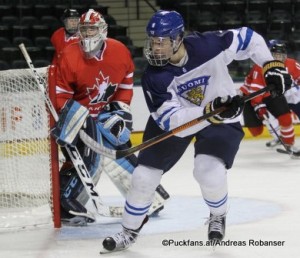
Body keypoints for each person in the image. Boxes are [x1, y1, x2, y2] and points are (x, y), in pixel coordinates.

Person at [101, 10, 292, 253]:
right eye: (153, 42)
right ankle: (129, 230)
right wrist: (210, 111)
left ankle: (218, 214)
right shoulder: (154, 77)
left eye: (162, 42)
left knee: (208, 171)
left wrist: (271, 64)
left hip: (222, 115)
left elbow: (248, 37)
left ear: (178, 38)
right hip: (185, 119)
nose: (156, 48)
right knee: (142, 177)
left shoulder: (209, 45)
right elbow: (175, 125)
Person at [50, 9, 169, 226]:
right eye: (83, 30)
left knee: (120, 150)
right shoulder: (68, 54)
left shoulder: (119, 51)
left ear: (103, 30)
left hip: (105, 113)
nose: (87, 34)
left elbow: (125, 85)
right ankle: (67, 202)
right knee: (91, 158)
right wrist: (83, 119)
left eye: (91, 29)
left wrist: (121, 109)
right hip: (76, 116)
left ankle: (145, 196)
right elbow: (61, 97)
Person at [241, 40, 300, 155]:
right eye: (276, 55)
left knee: (285, 119)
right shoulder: (261, 66)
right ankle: (281, 139)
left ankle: (288, 143)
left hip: (287, 97)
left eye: (281, 55)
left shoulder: (292, 64)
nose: (279, 58)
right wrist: (259, 105)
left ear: (286, 55)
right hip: (265, 97)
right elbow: (256, 89)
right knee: (264, 125)